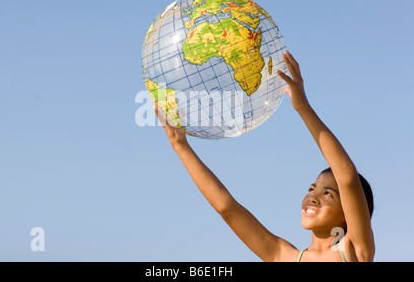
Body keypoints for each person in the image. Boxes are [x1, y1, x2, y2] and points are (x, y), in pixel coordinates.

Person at [154, 51, 375, 262]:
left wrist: (303, 107)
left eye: (328, 193)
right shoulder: (282, 255)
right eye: (311, 189)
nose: (312, 197)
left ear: (350, 210)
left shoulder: (354, 250)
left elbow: (346, 176)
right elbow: (227, 208)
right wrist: (180, 145)